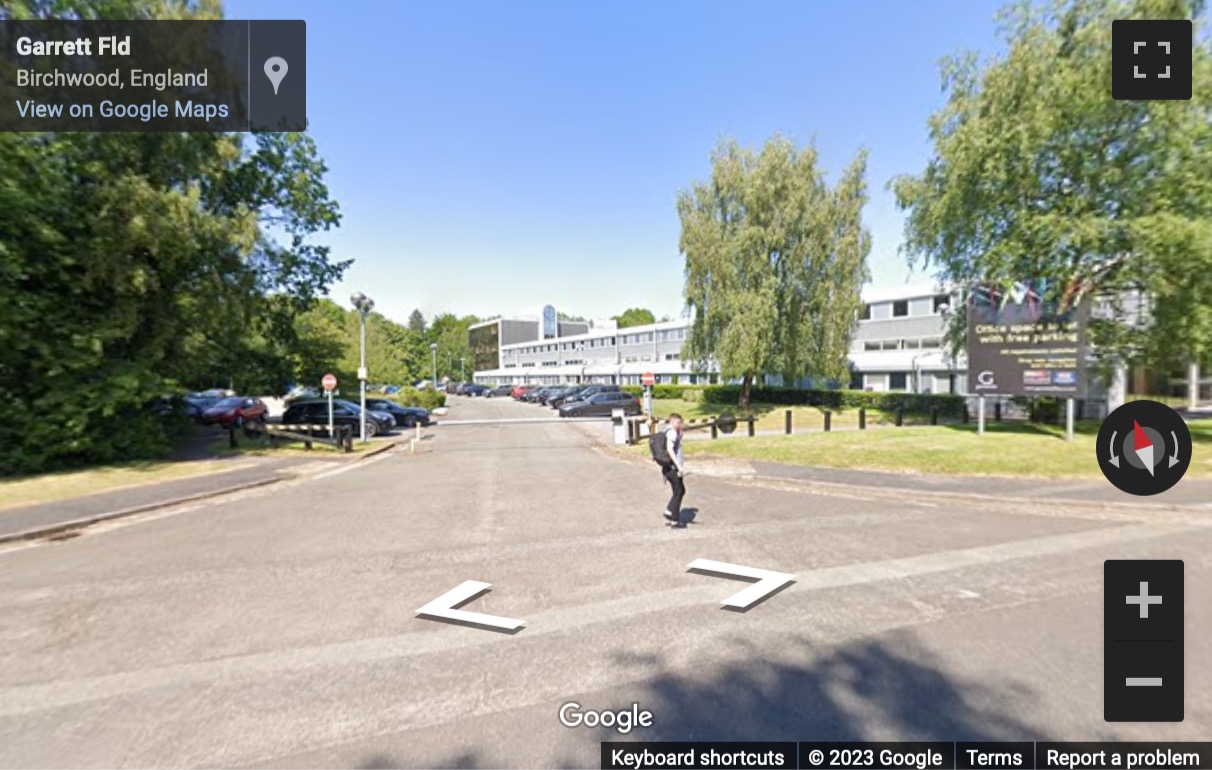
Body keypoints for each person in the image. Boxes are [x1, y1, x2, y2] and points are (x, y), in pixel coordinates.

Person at [660, 413, 687, 526]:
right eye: (678, 422)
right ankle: (672, 515)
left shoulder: (667, 432)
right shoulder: (671, 433)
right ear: (672, 421)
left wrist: (680, 435)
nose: (680, 424)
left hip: (668, 468)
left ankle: (672, 516)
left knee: (679, 491)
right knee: (679, 491)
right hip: (673, 468)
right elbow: (670, 450)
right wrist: (679, 466)